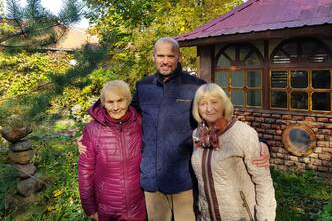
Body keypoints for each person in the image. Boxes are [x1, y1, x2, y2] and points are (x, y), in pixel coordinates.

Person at [78, 37, 270, 221]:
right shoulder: (144, 87)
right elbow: (121, 115)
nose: (165, 61)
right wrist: (92, 131)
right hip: (152, 181)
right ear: (153, 57)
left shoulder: (195, 86)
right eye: (161, 56)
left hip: (183, 180)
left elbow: (220, 115)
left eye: (170, 56)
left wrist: (260, 142)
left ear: (179, 57)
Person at [191, 83, 276, 221]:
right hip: (207, 216)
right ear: (197, 108)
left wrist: (265, 217)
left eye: (214, 102)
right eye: (203, 104)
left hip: (240, 216)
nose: (209, 108)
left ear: (224, 104)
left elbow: (263, 182)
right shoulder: (196, 135)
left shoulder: (244, 133)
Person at [78, 80, 146, 221]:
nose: (115, 107)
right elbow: (86, 170)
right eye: (110, 102)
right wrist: (90, 208)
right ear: (103, 103)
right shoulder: (92, 130)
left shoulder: (141, 122)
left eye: (120, 101)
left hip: (139, 205)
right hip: (108, 209)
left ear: (128, 100)